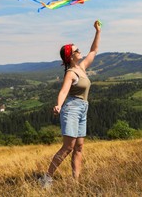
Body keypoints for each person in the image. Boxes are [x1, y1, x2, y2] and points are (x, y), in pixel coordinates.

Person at [40, 20, 101, 188]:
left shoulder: (81, 67)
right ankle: (46, 178)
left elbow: (94, 50)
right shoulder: (71, 73)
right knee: (68, 147)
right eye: (76, 50)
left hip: (83, 109)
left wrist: (98, 31)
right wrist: (58, 105)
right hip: (71, 109)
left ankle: (76, 182)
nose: (80, 51)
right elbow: (63, 92)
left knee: (79, 147)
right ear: (70, 55)